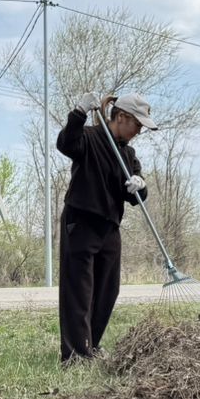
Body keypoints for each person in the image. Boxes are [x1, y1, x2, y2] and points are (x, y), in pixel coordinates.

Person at [54, 90, 154, 364]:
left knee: (108, 290)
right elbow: (65, 144)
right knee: (79, 290)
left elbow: (136, 198)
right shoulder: (88, 137)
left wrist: (140, 185)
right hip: (81, 221)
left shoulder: (128, 154)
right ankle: (75, 355)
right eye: (137, 125)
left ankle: (91, 344)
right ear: (121, 117)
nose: (138, 132)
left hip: (109, 226)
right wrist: (78, 114)